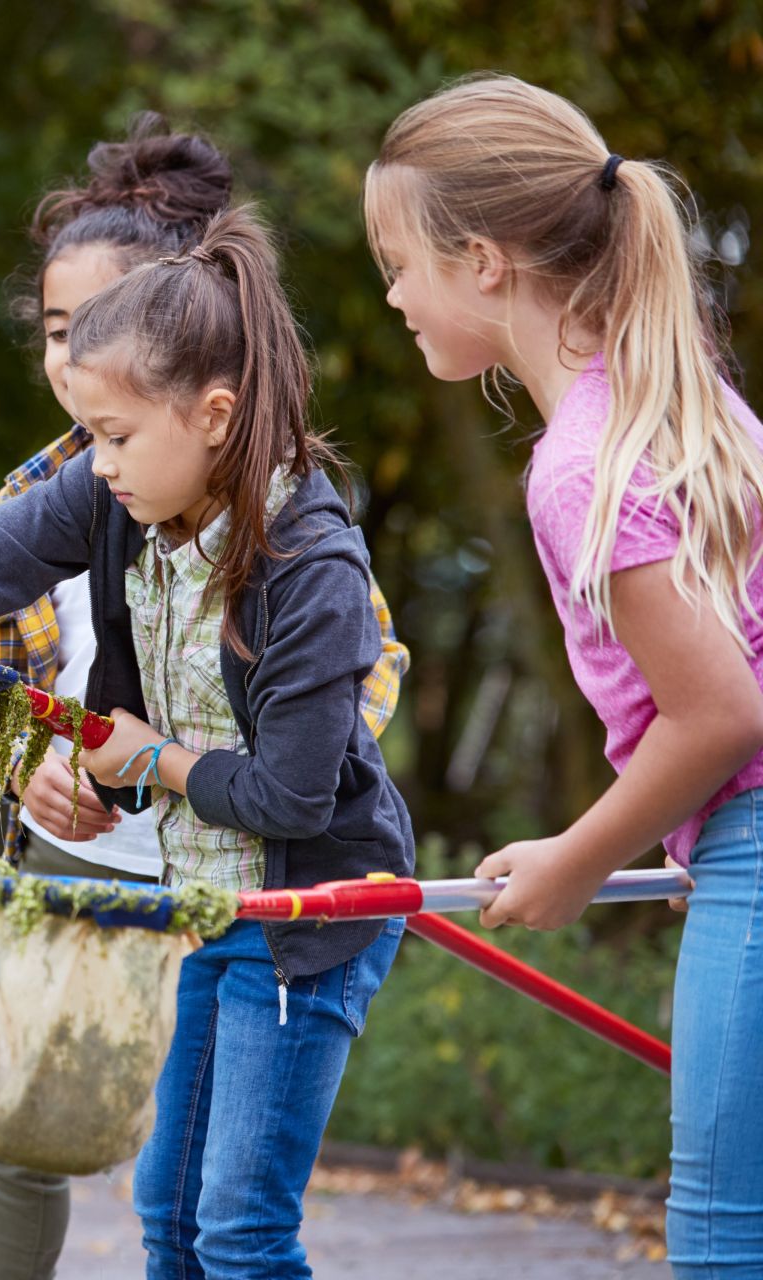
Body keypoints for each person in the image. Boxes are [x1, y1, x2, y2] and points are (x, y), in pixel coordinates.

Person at [0, 206, 413, 1278]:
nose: (97, 463)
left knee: (240, 1229)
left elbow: (293, 798)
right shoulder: (118, 493)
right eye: (91, 437)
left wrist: (153, 760)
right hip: (204, 912)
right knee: (167, 1217)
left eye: (117, 437)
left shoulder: (312, 568)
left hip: (306, 927)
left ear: (215, 415)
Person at [366, 73, 763, 1277]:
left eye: (399, 261)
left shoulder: (582, 464)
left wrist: (577, 856)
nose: (391, 294)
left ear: (482, 260)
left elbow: (723, 716)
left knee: (721, 1234)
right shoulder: (678, 406)